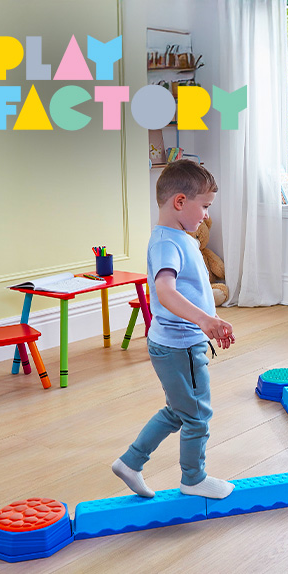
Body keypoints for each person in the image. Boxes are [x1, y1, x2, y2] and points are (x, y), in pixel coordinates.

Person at [112, 160, 236, 499]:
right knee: (197, 415)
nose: (207, 216)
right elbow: (165, 291)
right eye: (205, 206)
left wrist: (208, 321)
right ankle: (193, 479)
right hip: (180, 347)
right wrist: (205, 321)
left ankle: (130, 462)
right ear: (180, 202)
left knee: (180, 410)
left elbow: (187, 289)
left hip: (175, 344)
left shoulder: (178, 237)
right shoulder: (168, 243)